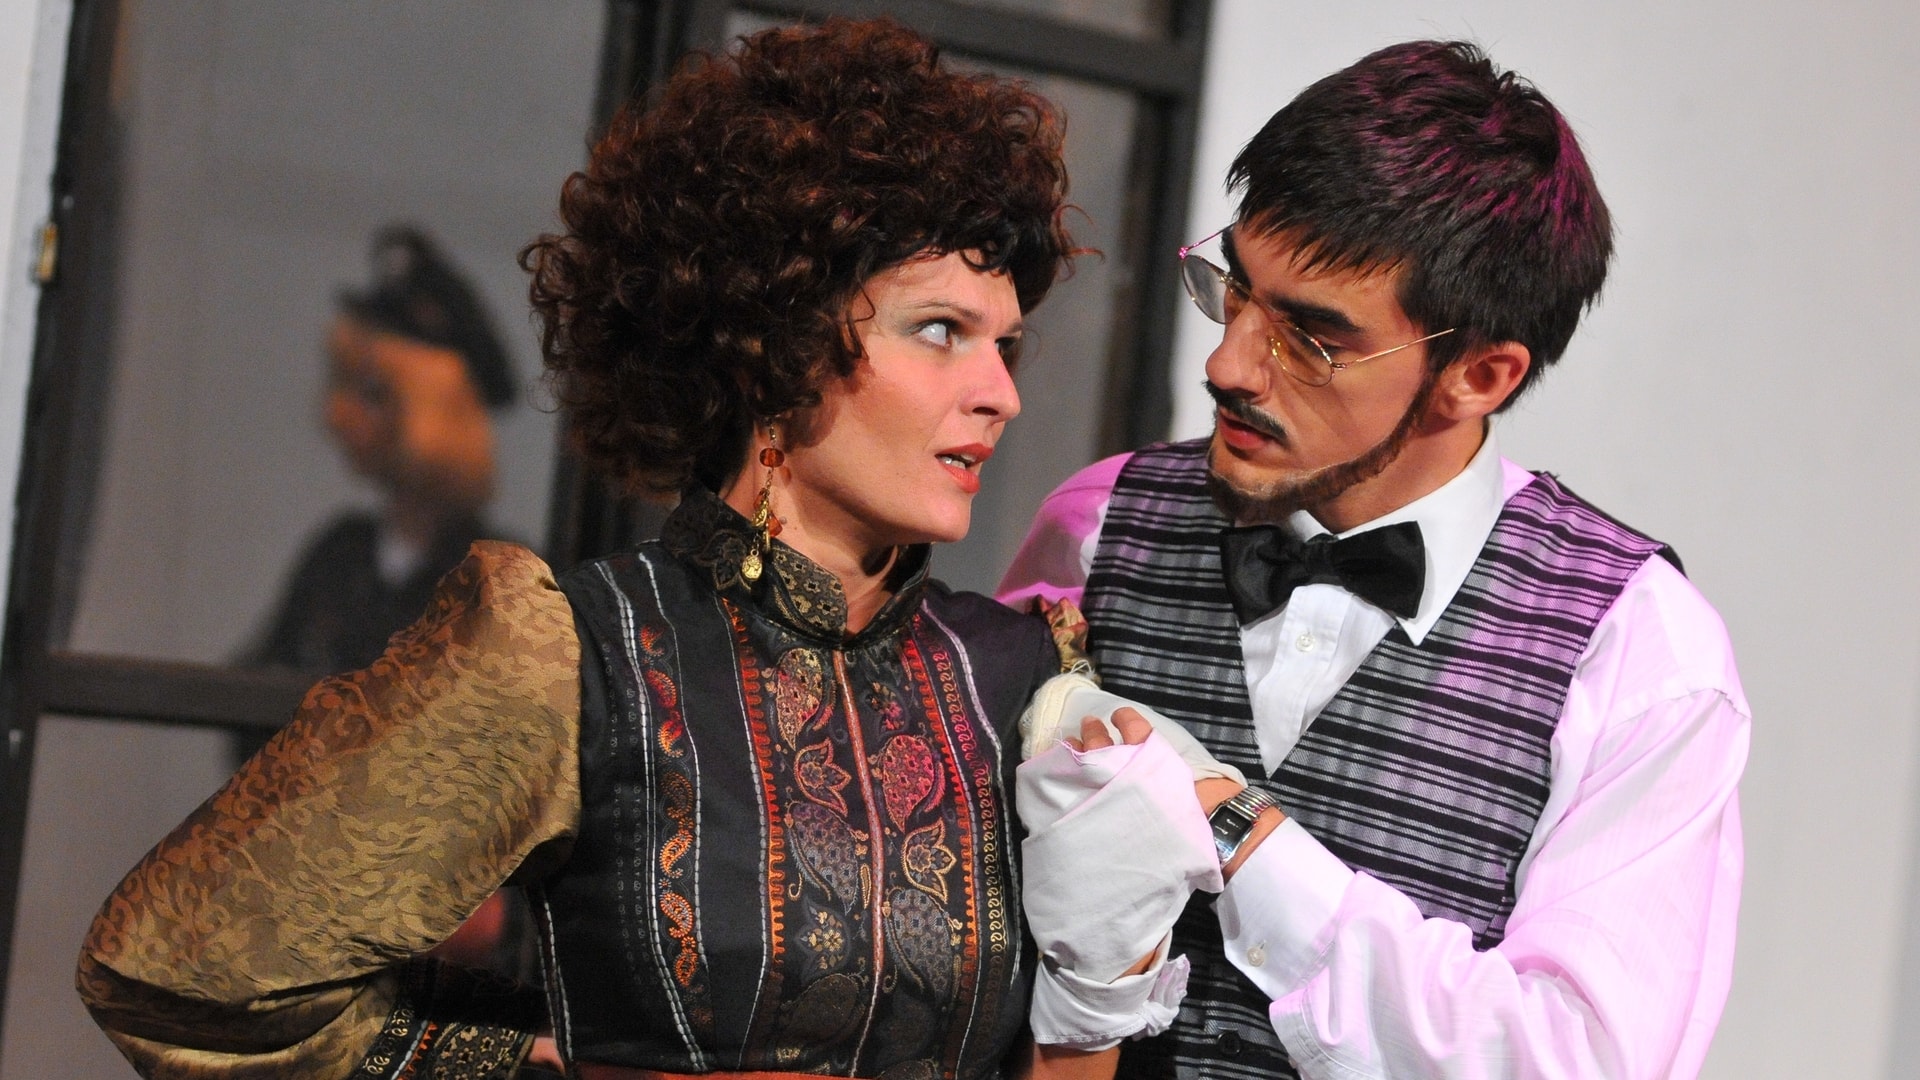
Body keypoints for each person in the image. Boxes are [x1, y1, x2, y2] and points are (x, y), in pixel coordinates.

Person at [77, 19, 1098, 1079]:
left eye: (1005, 344)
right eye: (940, 331)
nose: (1001, 394)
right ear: (773, 343)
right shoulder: (572, 655)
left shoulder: (1020, 675)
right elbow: (176, 976)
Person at [999, 40, 1749, 1080]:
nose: (1228, 363)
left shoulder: (1639, 654)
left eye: (1313, 339)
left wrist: (1235, 831)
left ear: (1478, 376)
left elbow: (1570, 1060)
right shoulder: (1096, 522)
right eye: (1236, 291)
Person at [245, 224, 519, 677]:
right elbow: (254, 682)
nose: (345, 414)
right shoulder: (340, 553)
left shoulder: (495, 579)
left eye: (377, 393)